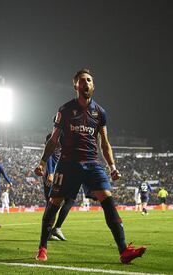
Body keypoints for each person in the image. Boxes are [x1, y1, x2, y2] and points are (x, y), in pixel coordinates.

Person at [33, 69, 146, 263]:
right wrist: (43, 162)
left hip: (92, 164)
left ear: (93, 85)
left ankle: (123, 250)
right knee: (55, 203)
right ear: (76, 86)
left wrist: (112, 167)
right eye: (82, 80)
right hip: (68, 163)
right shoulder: (65, 110)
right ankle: (42, 247)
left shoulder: (100, 112)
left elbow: (105, 143)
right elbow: (53, 140)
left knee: (108, 201)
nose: (86, 83)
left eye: (89, 80)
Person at [42, 133, 74, 241]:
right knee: (55, 204)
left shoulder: (58, 150)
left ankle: (50, 231)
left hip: (56, 176)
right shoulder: (52, 150)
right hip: (53, 177)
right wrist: (51, 173)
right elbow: (49, 159)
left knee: (53, 205)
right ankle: (53, 229)